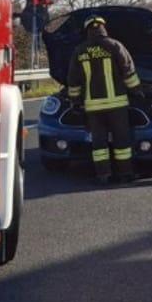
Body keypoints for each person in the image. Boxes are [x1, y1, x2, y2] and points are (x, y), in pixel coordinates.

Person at [63, 16, 141, 184]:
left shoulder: (80, 51)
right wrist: (136, 91)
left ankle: (103, 175)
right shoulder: (115, 46)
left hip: (93, 107)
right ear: (103, 28)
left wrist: (75, 101)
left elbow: (73, 80)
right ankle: (125, 174)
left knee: (99, 144)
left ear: (87, 30)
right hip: (117, 105)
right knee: (122, 141)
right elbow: (128, 71)